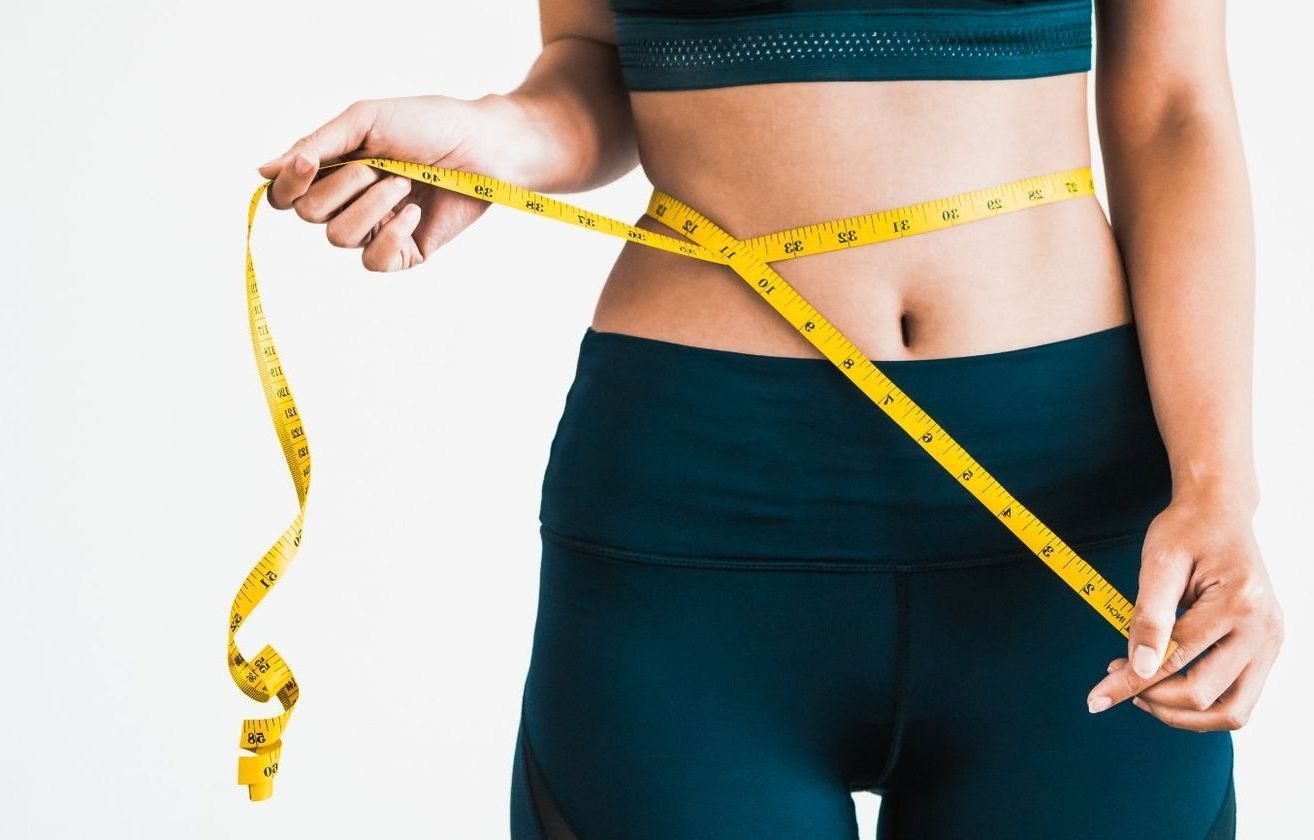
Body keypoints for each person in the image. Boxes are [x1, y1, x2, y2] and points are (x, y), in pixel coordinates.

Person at [255, 0, 1283, 836]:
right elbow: (592, 58)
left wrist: (1217, 491)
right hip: (697, 522)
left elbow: (1174, 107)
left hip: (1074, 510)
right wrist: (501, 135)